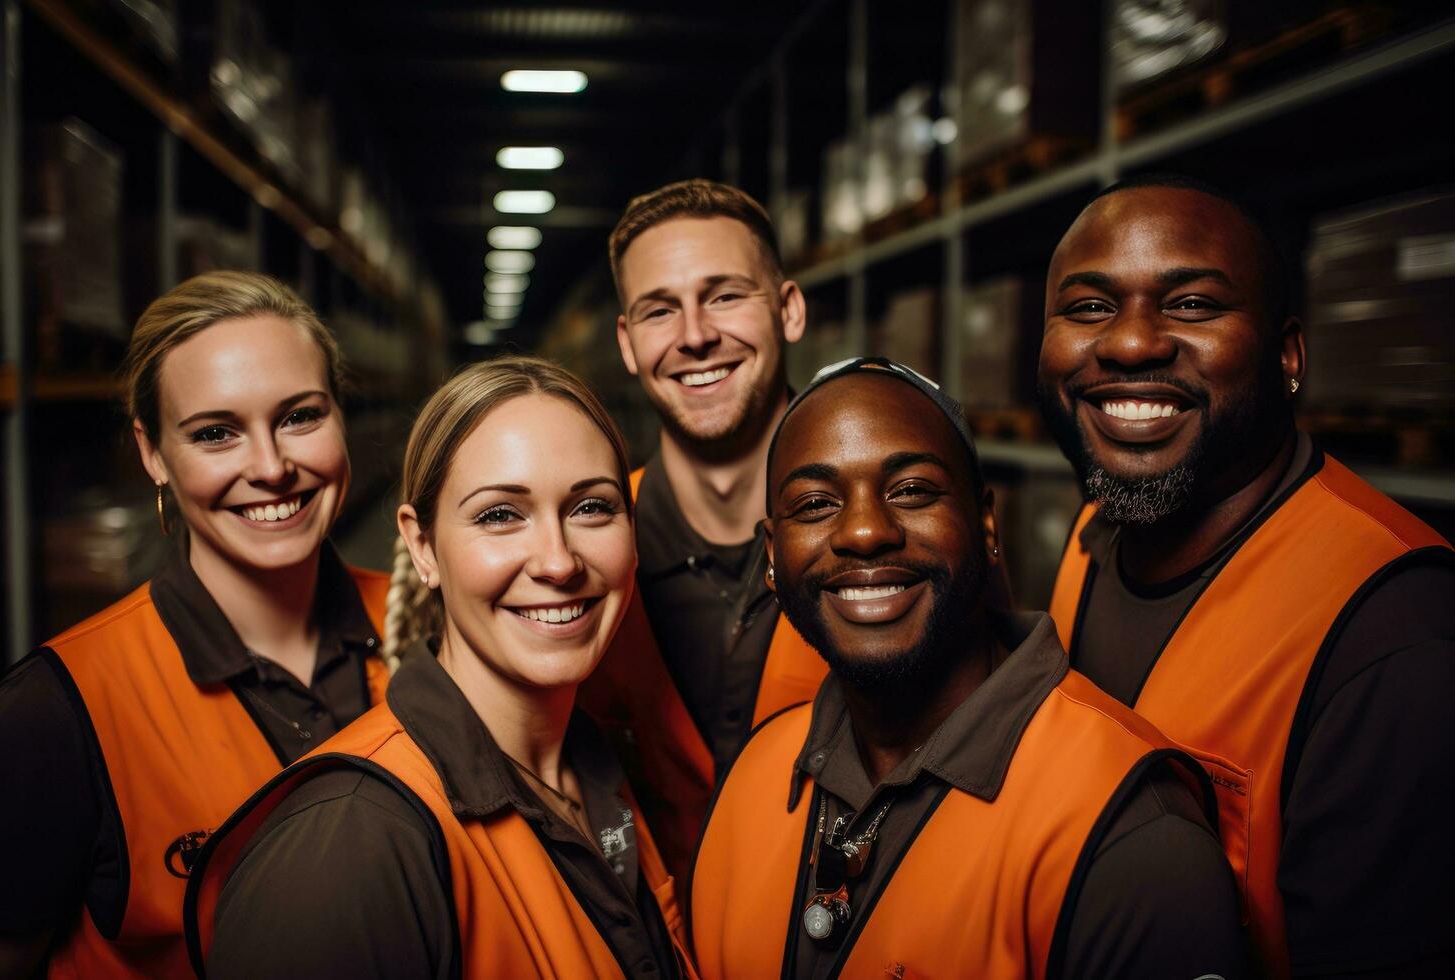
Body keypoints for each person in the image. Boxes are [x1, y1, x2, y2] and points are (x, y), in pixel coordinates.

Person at [691, 357, 1248, 978]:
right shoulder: (752, 781)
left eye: (911, 490)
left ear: (986, 523)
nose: (866, 531)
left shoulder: (1133, 842)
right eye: (816, 503)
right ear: (773, 556)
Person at [1038, 173, 1455, 978]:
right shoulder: (1095, 534)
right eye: (1090, 306)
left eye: (1191, 305)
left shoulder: (1395, 639)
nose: (1130, 343)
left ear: (1288, 355)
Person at [187, 356, 697, 980]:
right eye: (499, 515)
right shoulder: (353, 848)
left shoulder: (597, 772)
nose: (559, 562)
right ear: (422, 546)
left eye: (591, 507)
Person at [383, 179, 829, 887]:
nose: (694, 335)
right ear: (626, 342)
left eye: (725, 296)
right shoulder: (579, 565)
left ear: (790, 309)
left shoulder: (883, 541)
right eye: (659, 309)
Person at [0, 272, 393, 979]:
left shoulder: (437, 631)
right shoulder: (58, 710)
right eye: (215, 433)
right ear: (152, 454)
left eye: (301, 416)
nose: (271, 467)